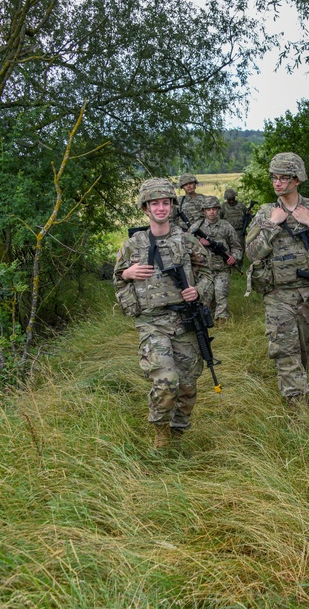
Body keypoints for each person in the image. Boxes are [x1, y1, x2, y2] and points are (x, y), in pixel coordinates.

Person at [113, 178, 213, 448]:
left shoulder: (187, 241)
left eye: (165, 203)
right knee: (166, 380)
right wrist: (127, 273)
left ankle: (179, 430)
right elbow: (117, 281)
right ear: (145, 208)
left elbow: (207, 273)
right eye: (154, 203)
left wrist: (198, 291)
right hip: (152, 322)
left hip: (185, 321)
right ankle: (161, 432)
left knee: (188, 383)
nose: (160, 208)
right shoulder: (134, 245)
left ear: (172, 205)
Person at [245, 153, 309, 406]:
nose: (277, 183)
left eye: (283, 177)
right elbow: (252, 253)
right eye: (274, 177)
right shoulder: (267, 213)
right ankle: (297, 409)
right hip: (278, 295)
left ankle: (298, 389)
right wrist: (271, 226)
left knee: (306, 348)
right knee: (286, 352)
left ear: (297, 179)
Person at [189, 195, 243, 321]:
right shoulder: (196, 227)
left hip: (222, 269)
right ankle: (207, 319)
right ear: (204, 211)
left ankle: (222, 320)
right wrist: (199, 244)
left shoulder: (226, 226)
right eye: (208, 209)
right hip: (204, 270)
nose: (211, 212)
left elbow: (237, 247)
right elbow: (186, 248)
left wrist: (234, 257)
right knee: (205, 297)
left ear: (218, 210)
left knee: (220, 294)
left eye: (214, 209)